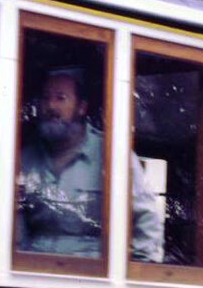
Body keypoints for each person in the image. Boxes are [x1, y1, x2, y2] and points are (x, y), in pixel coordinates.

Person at [16, 68, 162, 260]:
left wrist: (141, 269)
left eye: (61, 98)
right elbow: (12, 223)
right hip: (32, 273)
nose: (50, 106)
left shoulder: (112, 155)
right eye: (45, 98)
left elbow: (146, 217)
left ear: (81, 107)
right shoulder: (25, 159)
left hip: (91, 276)